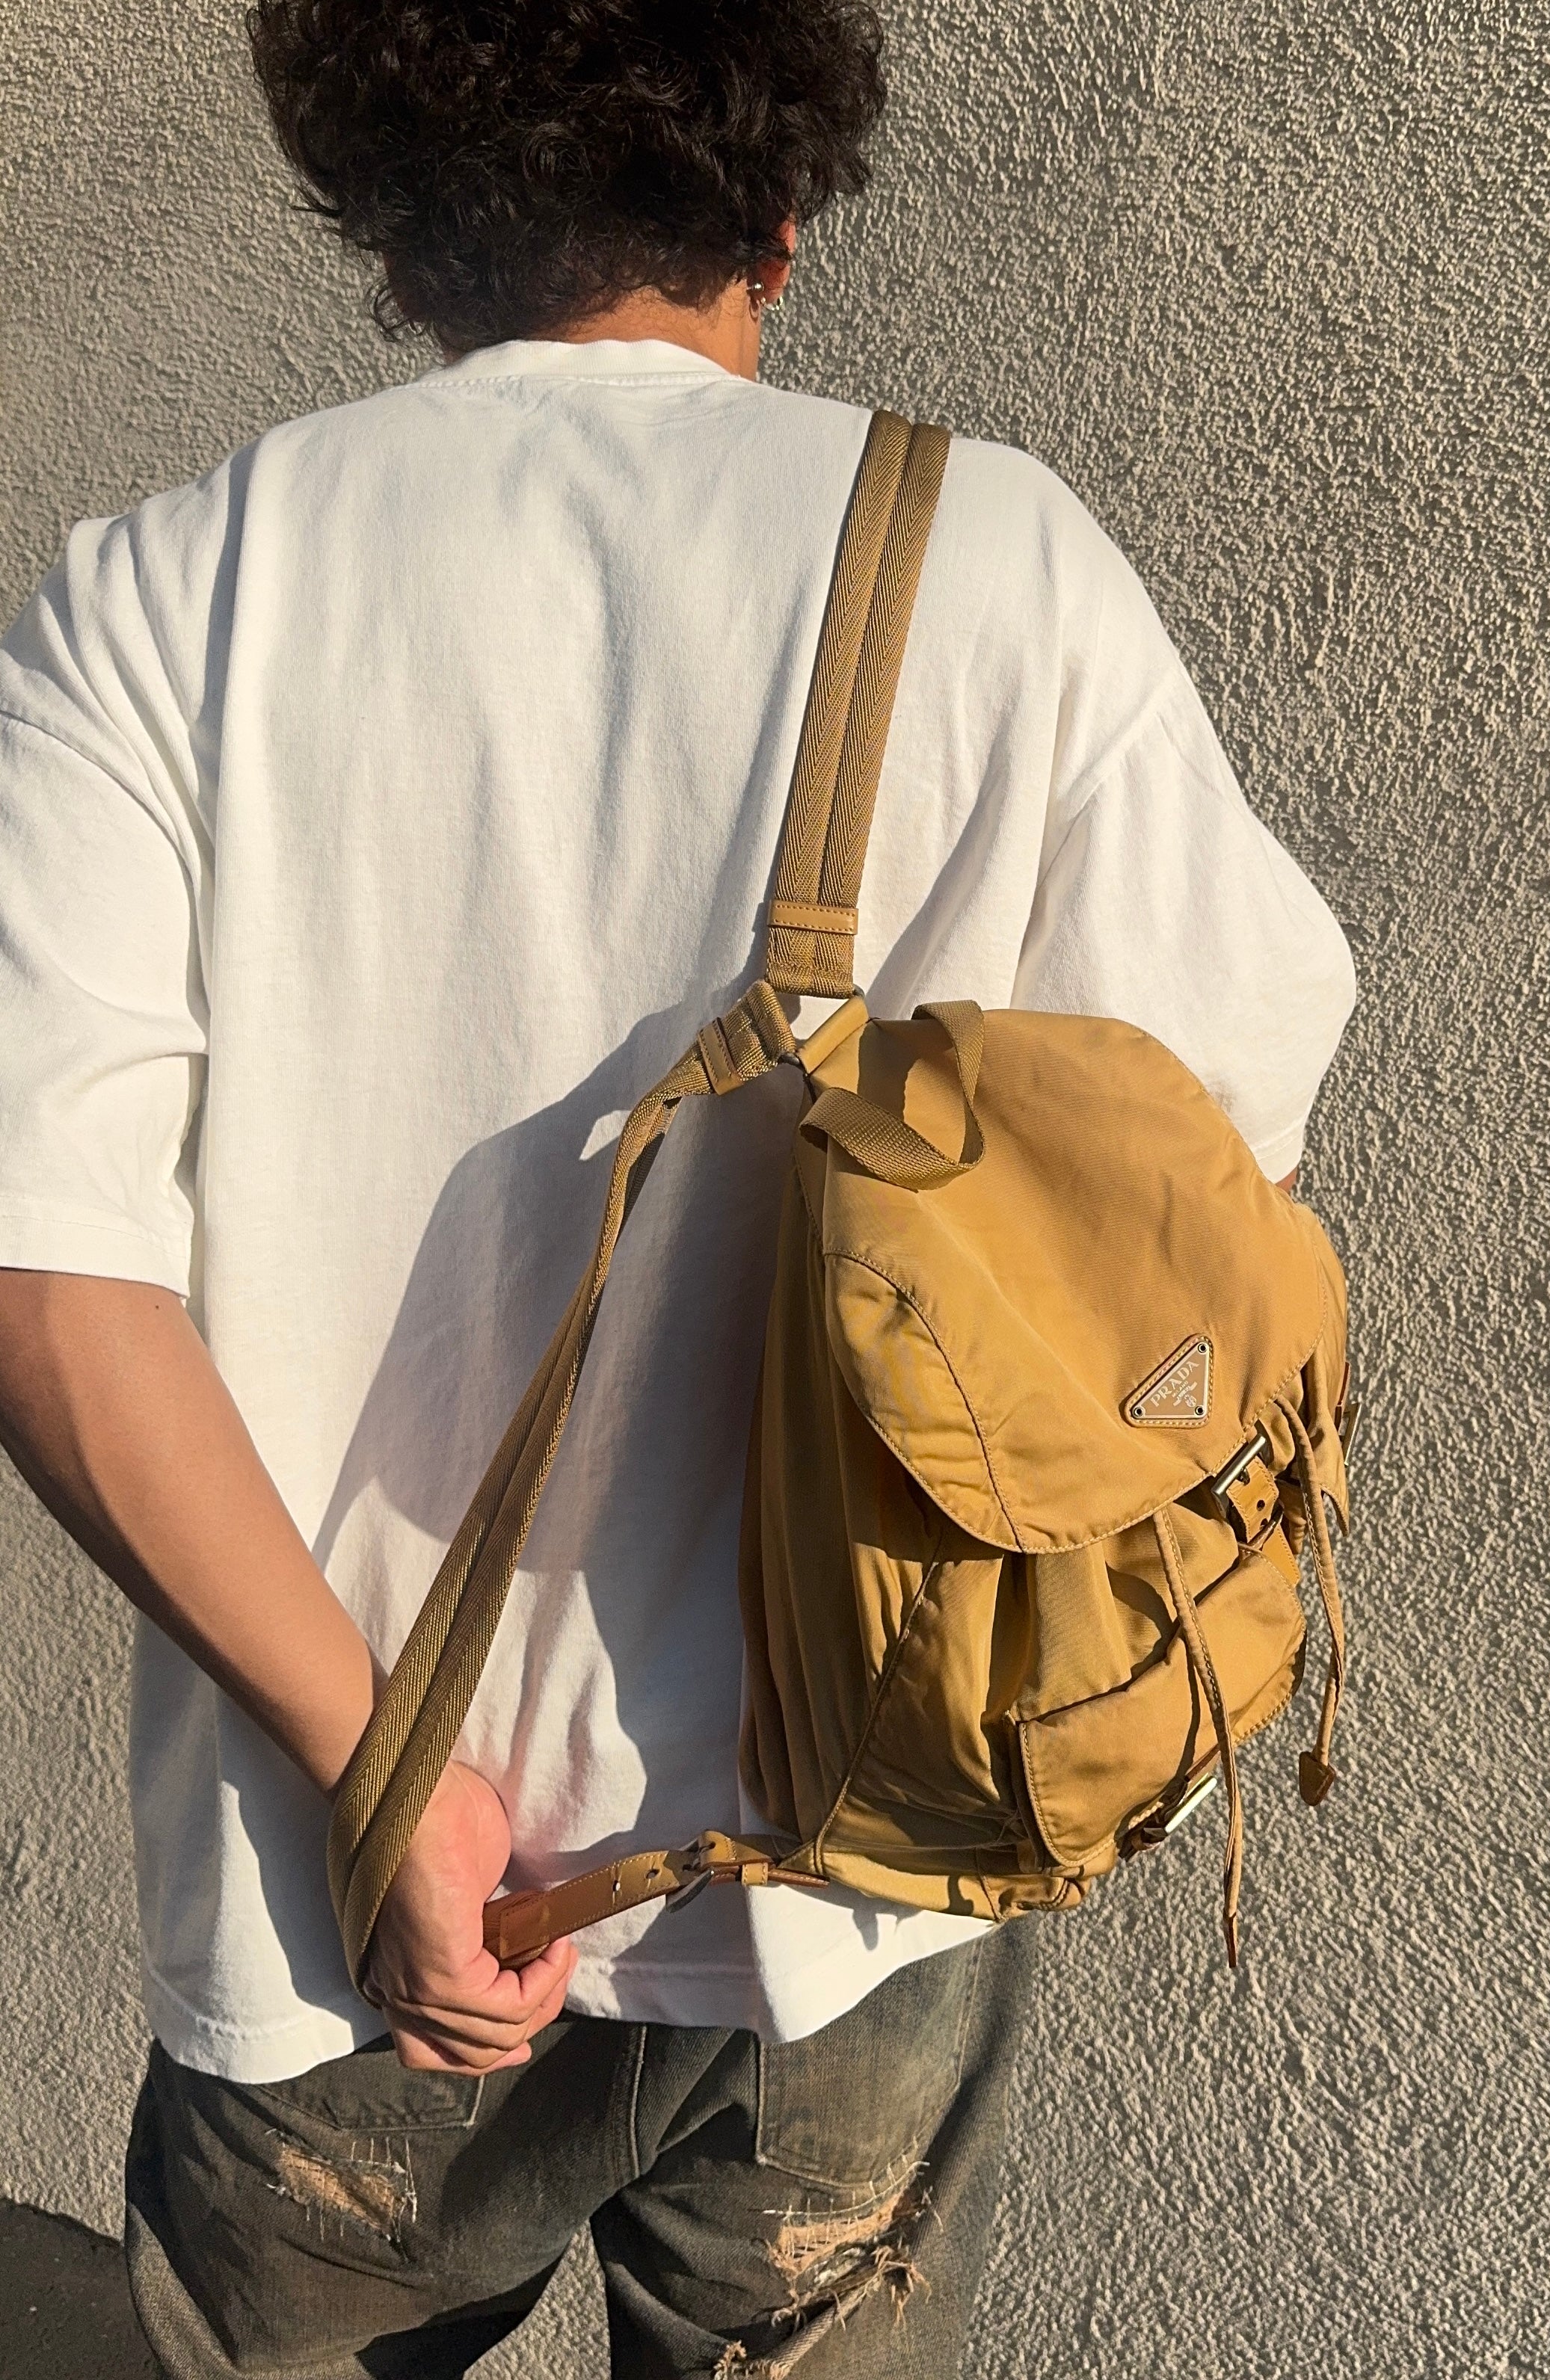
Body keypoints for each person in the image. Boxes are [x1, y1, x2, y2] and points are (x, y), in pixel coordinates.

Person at [0, 4, 1356, 2373]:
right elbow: (1218, 1122)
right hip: (864, 1852)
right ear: (781, 209)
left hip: (343, 1906)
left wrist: (388, 1781)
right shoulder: (990, 555)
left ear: (390, 226)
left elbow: (45, 1273)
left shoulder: (163, 594)